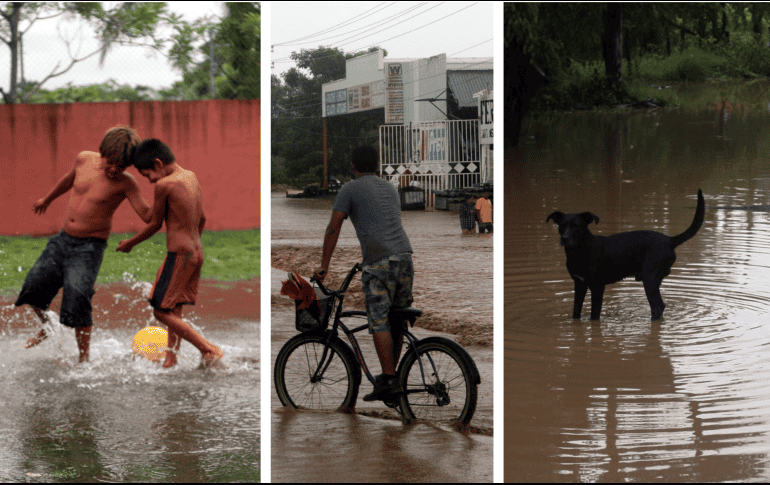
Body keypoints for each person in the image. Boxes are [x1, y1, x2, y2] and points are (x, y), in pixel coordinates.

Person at [17, 126, 152, 363]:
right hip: (63, 240)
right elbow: (68, 181)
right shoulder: (83, 159)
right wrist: (46, 199)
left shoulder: (126, 183)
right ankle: (49, 326)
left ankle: (84, 358)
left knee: (78, 295)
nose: (113, 169)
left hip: (89, 247)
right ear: (102, 153)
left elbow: (146, 214)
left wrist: (166, 195)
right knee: (33, 287)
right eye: (109, 162)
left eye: (120, 167)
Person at [314, 145, 414, 403]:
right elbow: (382, 223)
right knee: (397, 321)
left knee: (378, 321)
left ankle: (390, 379)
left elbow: (333, 228)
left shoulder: (349, 189)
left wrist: (324, 265)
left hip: (380, 264)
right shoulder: (390, 188)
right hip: (405, 259)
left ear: (353, 166)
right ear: (377, 164)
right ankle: (393, 375)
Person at [116, 139, 224, 368]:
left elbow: (153, 222)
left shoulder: (165, 184)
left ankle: (208, 349)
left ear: (157, 163)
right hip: (196, 252)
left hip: (180, 254)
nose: (150, 181)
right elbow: (202, 218)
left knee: (160, 311)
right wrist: (190, 244)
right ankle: (170, 358)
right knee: (175, 308)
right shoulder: (191, 176)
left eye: (147, 175)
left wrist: (131, 242)